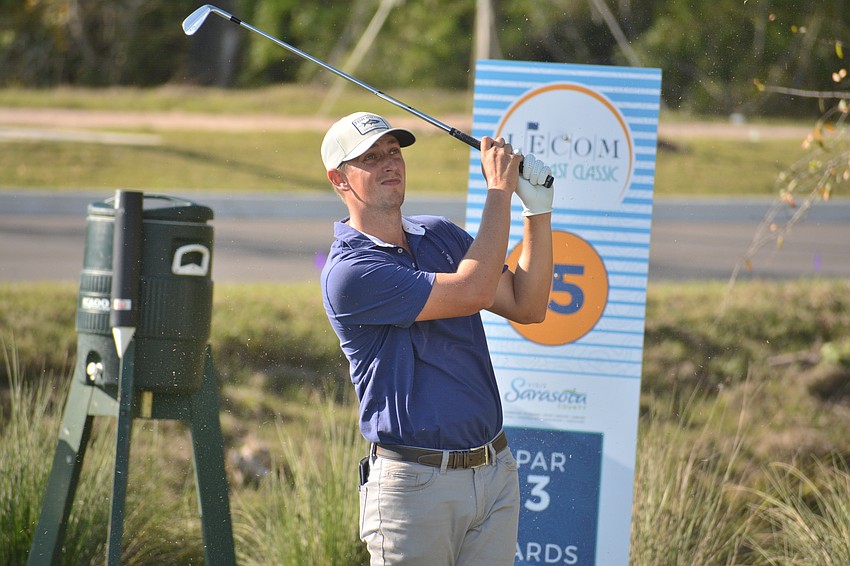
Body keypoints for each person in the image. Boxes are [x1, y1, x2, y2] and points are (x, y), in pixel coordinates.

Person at [319, 111, 554, 566]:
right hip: (414, 486)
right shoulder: (349, 273)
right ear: (339, 179)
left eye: (393, 151)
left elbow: (528, 306)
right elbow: (472, 290)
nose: (389, 163)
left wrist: (537, 211)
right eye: (370, 158)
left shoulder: (440, 235)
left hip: (493, 472)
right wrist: (499, 192)